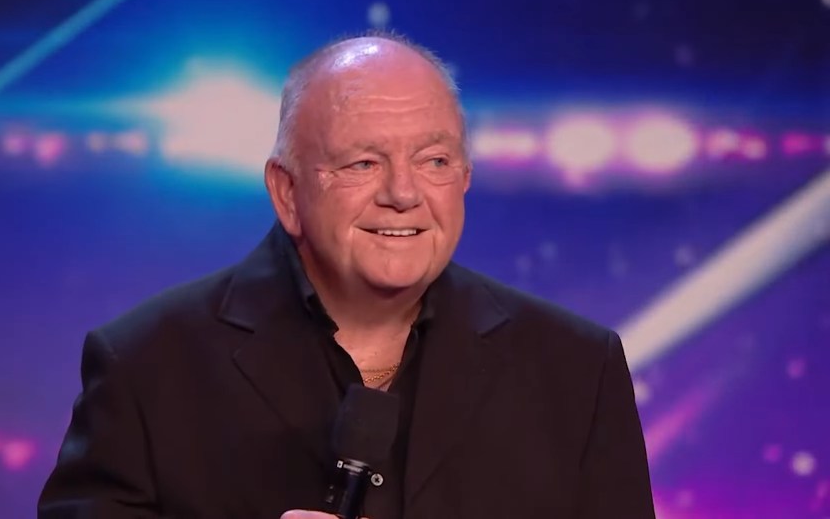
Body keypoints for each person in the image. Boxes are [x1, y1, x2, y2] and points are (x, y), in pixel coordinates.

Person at [38, 32, 655, 519]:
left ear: (464, 178)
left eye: (434, 160)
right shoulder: (147, 365)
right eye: (363, 163)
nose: (403, 193)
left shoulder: (578, 369)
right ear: (287, 192)